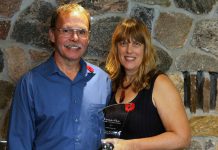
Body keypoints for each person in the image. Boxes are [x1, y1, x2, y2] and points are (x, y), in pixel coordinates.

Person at [7, 3, 111, 150]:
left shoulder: (103, 81)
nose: (75, 38)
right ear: (52, 35)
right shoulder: (30, 84)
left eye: (82, 32)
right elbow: (19, 143)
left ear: (88, 38)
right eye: (66, 30)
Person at [103, 18, 191, 150]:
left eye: (136, 44)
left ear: (145, 49)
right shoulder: (111, 83)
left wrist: (129, 146)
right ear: (116, 48)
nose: (129, 50)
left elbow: (182, 138)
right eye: (123, 43)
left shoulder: (160, 83)